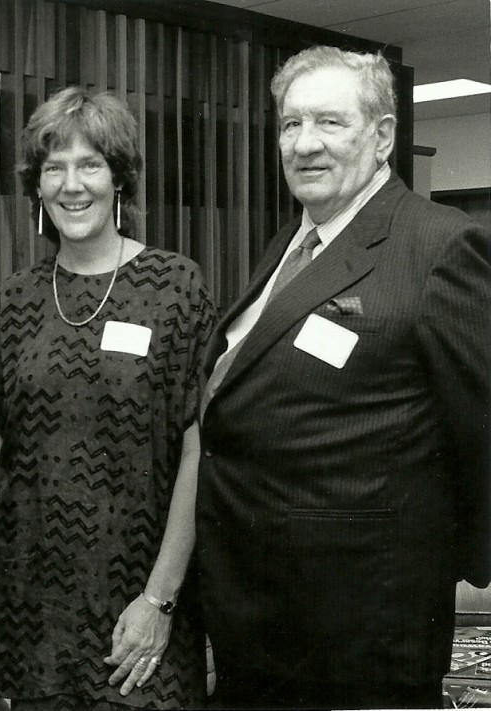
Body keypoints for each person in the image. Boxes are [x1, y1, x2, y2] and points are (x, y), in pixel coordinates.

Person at [196, 45, 491, 709]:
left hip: (359, 628)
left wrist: (446, 568)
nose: (304, 144)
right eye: (290, 124)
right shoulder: (291, 244)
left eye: (329, 123)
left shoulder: (438, 245)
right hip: (262, 610)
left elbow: (481, 426)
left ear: (383, 135)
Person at [0, 86, 217, 710]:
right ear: (37, 187)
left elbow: (199, 451)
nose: (72, 186)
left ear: (120, 179)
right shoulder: (15, 301)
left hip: (140, 600)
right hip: (29, 607)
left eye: (90, 165)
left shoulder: (174, 286)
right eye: (54, 168)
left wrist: (159, 599)